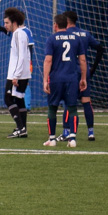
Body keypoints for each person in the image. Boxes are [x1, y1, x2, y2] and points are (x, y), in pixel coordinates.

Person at [0, 8, 33, 138]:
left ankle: (20, 128)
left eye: (7, 23)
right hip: (23, 73)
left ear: (14, 22)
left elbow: (22, 56)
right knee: (19, 99)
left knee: (8, 99)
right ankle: (23, 129)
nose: (5, 25)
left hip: (17, 74)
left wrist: (15, 76)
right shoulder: (21, 33)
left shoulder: (18, 34)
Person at [43, 12, 86, 148]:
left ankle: (52, 139)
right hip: (72, 79)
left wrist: (45, 80)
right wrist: (83, 78)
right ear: (66, 25)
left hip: (56, 79)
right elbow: (82, 60)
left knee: (52, 108)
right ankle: (72, 139)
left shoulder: (51, 39)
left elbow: (48, 60)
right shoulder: (76, 38)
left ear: (55, 25)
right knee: (72, 108)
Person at [62, 10, 96, 141]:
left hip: (70, 72)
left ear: (67, 21)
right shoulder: (85, 33)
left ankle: (66, 132)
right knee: (86, 100)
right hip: (84, 71)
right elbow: (100, 49)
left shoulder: (64, 34)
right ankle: (91, 132)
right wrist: (92, 69)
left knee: (69, 102)